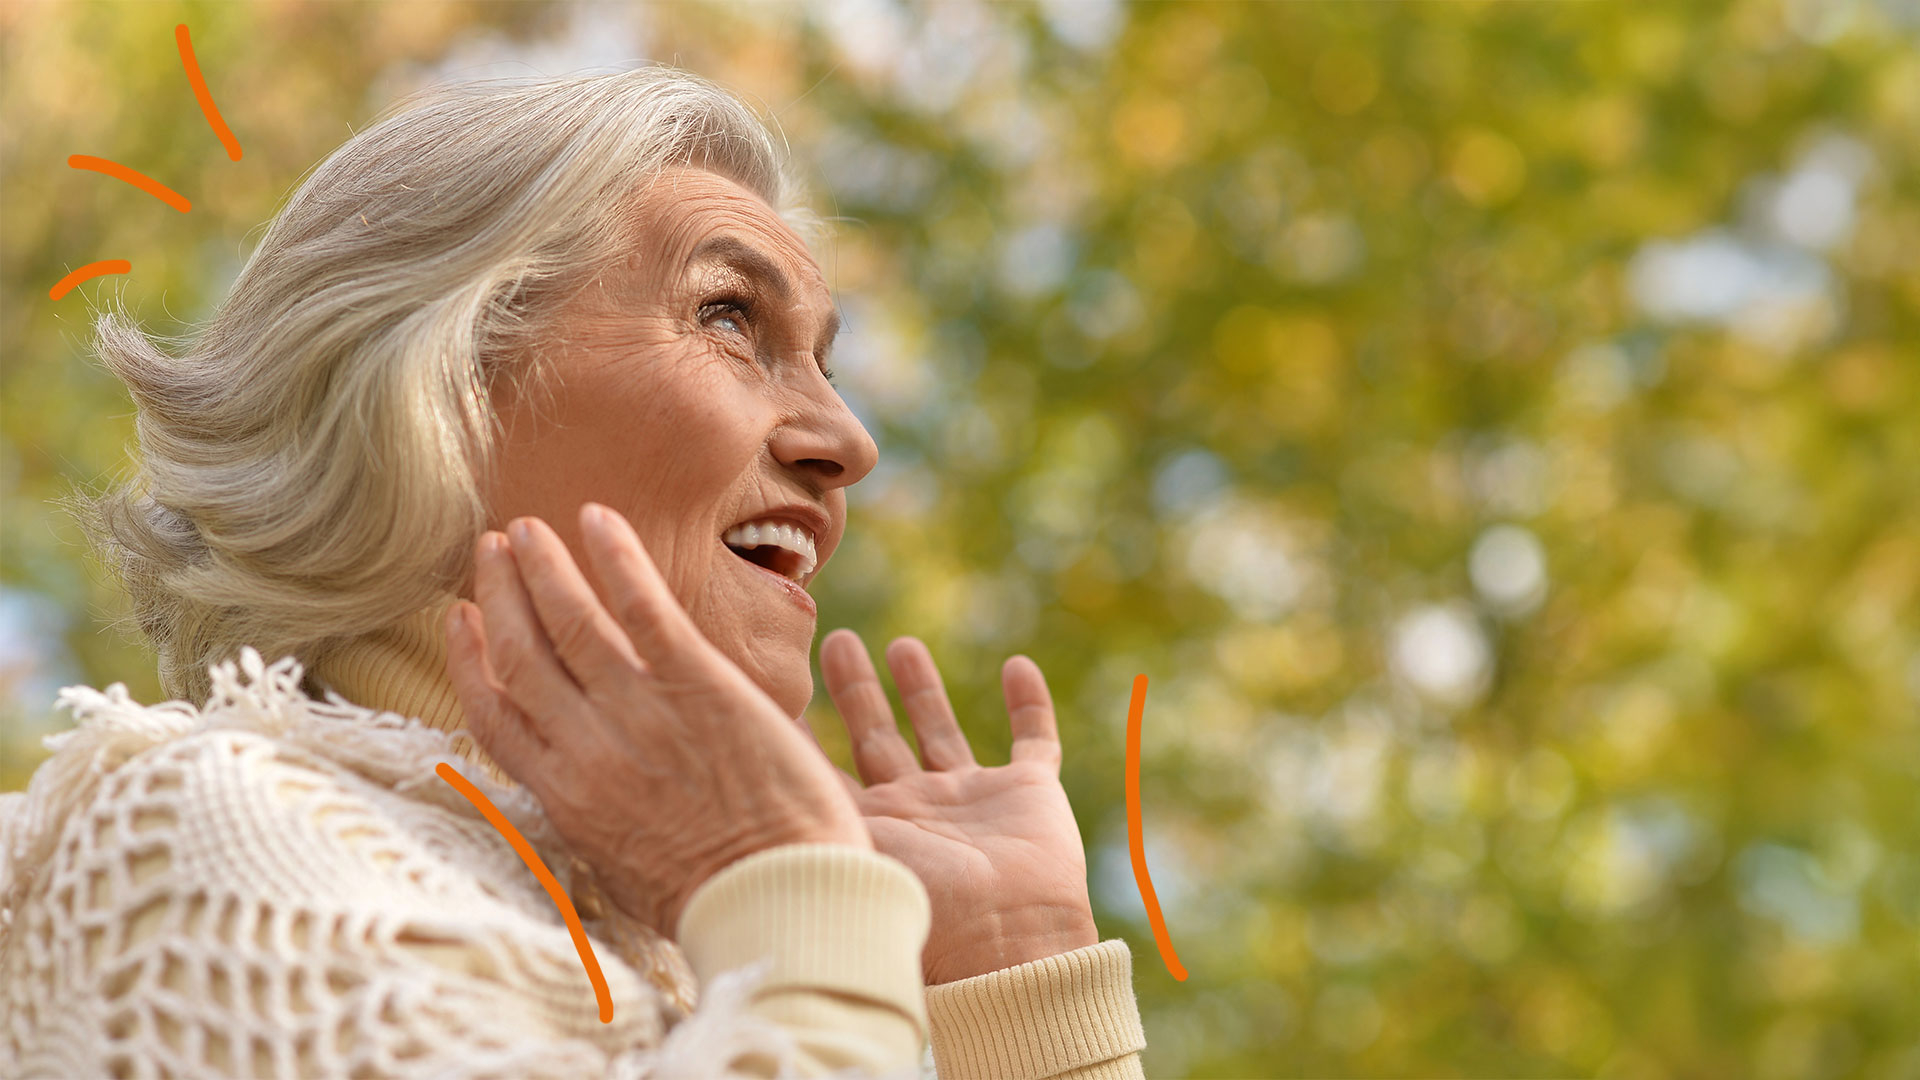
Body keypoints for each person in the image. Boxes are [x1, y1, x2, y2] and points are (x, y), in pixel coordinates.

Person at [0, 66, 1146, 1078]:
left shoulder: (707, 948)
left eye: (825, 363)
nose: (848, 440)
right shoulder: (192, 839)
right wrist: (787, 887)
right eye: (731, 316)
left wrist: (1018, 976)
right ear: (437, 385)